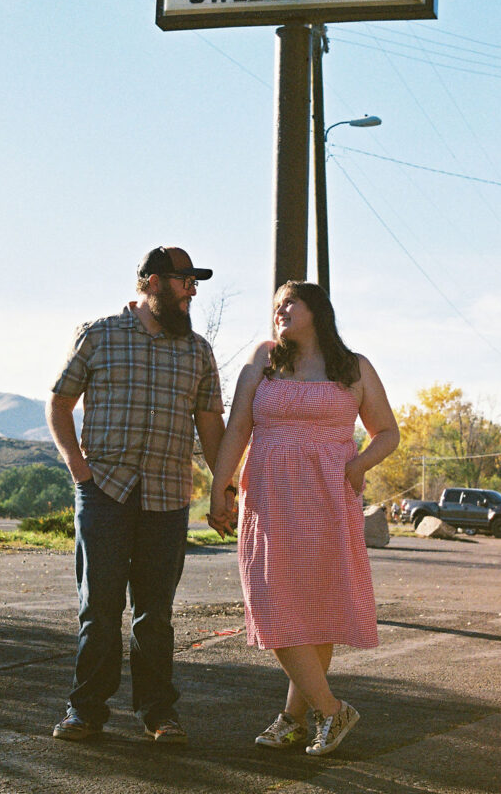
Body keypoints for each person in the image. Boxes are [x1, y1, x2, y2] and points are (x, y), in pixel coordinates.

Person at [47, 246, 231, 744]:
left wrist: (226, 489)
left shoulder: (197, 351)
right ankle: (84, 710)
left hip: (168, 497)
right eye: (184, 280)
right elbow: (60, 404)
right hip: (103, 491)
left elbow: (212, 427)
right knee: (100, 609)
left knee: (156, 614)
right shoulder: (99, 334)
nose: (192, 289)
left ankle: (158, 714)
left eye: (196, 282)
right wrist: (78, 469)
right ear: (151, 282)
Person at [209, 281, 399, 757]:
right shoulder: (265, 359)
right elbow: (237, 429)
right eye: (276, 307)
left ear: (316, 309)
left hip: (328, 501)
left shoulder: (353, 367)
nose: (280, 312)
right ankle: (332, 711)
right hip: (270, 500)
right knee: (272, 603)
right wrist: (220, 486)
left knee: (319, 607)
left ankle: (293, 720)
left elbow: (387, 433)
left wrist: (357, 466)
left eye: (289, 303)